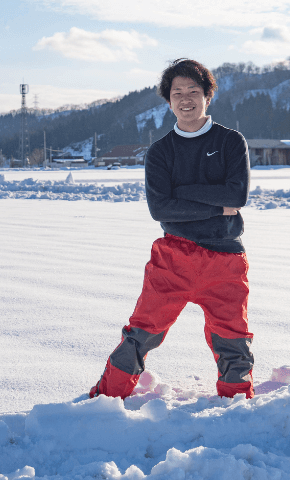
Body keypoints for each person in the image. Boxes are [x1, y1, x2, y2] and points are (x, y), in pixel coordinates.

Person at [89, 58, 254, 400]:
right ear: (168, 101)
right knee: (141, 332)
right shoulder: (161, 152)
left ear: (208, 96)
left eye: (193, 90)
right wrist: (214, 204)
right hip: (173, 257)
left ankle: (237, 402)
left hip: (225, 257)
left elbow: (236, 195)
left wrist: (182, 193)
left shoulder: (230, 142)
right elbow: (160, 209)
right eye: (177, 92)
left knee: (233, 337)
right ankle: (107, 399)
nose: (185, 98)